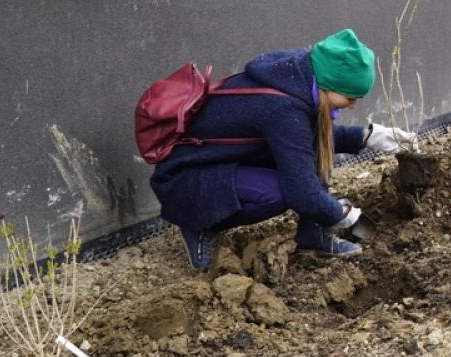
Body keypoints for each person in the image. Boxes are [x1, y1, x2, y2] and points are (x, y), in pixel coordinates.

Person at [149, 28, 415, 271]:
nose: (354, 105)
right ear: (330, 84)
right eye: (350, 97)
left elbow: (303, 138)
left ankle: (312, 235)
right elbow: (302, 193)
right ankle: (199, 223)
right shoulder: (283, 108)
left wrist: (366, 136)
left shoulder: (302, 75)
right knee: (279, 193)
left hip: (224, 161)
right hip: (187, 180)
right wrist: (342, 214)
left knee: (312, 151)